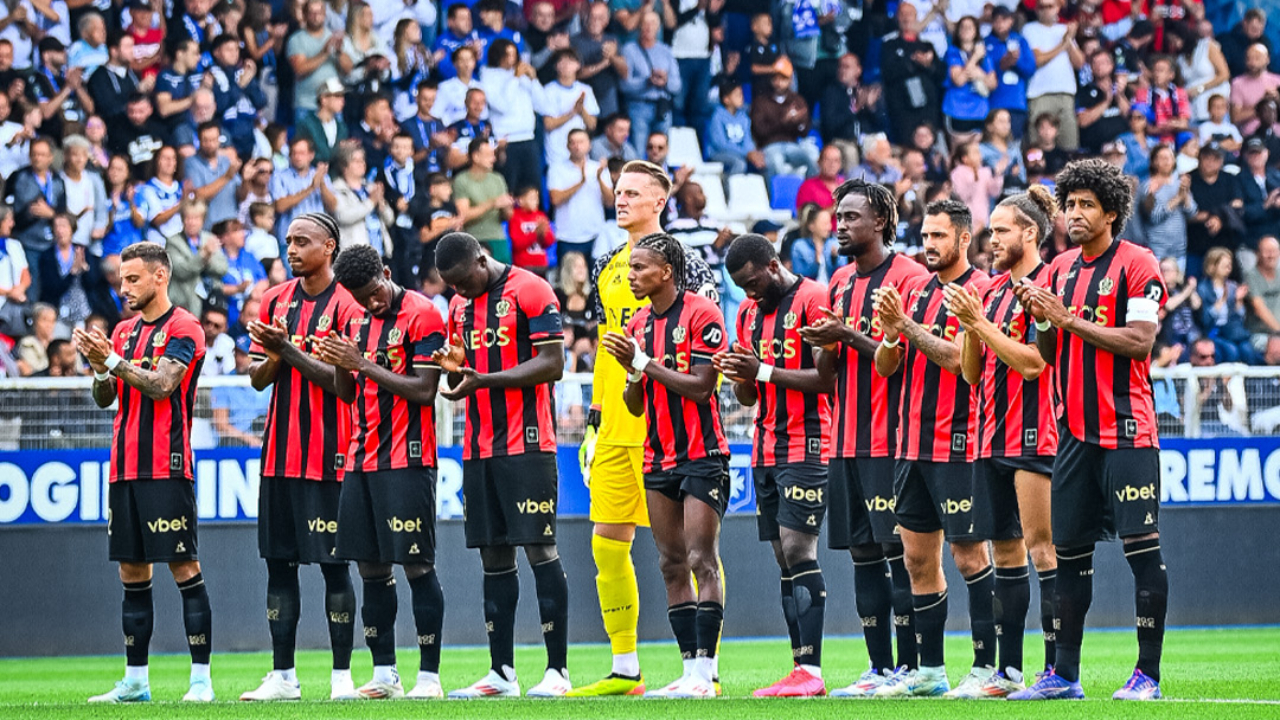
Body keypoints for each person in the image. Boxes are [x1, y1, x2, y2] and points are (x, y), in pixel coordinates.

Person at [1010, 159, 1169, 701]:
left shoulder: (1138, 264)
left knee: (1142, 553)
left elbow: (1141, 341)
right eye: (1069, 204)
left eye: (1086, 205)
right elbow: (1047, 354)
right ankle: (1062, 675)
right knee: (1070, 555)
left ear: (1111, 212)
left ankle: (1147, 676)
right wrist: (1045, 320)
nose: (1074, 214)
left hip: (1127, 430)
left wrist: (1070, 318)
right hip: (1073, 436)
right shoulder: (1056, 271)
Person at [570, 160, 718, 698]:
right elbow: (611, 351)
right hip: (614, 423)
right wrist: (593, 419)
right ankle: (625, 667)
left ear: (661, 200)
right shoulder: (609, 261)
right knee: (607, 544)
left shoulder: (690, 264)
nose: (621, 198)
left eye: (634, 192)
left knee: (688, 551)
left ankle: (706, 668)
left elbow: (707, 347)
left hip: (670, 427)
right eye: (619, 190)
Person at [795, 179, 928, 697]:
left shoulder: (909, 278)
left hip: (891, 439)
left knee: (899, 554)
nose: (840, 225)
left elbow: (908, 357)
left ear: (880, 222)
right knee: (862, 555)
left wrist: (847, 335)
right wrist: (822, 344)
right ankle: (878, 668)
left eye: (851, 217)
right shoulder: (839, 282)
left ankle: (913, 668)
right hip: (845, 438)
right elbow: (828, 375)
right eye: (837, 216)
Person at [431, 231, 572, 698]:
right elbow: (466, 368)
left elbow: (553, 364)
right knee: (493, 557)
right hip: (478, 447)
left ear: (480, 259)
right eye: (450, 286)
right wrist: (455, 365)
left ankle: (557, 671)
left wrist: (483, 378)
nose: (459, 292)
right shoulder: (458, 307)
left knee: (539, 549)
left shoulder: (530, 290)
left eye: (463, 282)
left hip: (528, 444)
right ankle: (502, 673)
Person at [300, 243, 443, 699]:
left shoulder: (423, 314)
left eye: (374, 292)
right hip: (360, 458)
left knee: (418, 565)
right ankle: (384, 673)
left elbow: (424, 391)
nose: (370, 303)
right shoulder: (353, 319)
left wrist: (361, 362)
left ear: (386, 272)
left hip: (407, 459)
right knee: (370, 570)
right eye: (360, 298)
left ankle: (430, 678)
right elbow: (346, 391)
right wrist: (342, 363)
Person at [75, 242, 212, 703]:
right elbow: (106, 397)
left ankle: (201, 681)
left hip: (166, 466)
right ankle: (135, 681)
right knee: (132, 573)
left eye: (132, 279)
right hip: (124, 468)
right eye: (120, 278)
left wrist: (111, 361)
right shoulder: (123, 331)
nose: (123, 287)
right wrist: (99, 369)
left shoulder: (185, 326)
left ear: (160, 277)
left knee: (183, 566)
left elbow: (162, 385)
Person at [871, 199, 994, 698]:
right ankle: (930, 671)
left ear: (964, 239)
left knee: (968, 555)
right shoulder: (914, 291)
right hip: (911, 444)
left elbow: (959, 361)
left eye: (939, 236)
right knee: (917, 560)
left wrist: (907, 328)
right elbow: (885, 367)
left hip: (959, 441)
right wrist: (887, 337)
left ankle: (989, 668)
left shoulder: (978, 291)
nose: (929, 246)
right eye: (924, 237)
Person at [599, 231, 729, 699]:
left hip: (702, 453)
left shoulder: (702, 312)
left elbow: (700, 386)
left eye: (640, 268)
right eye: (630, 268)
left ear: (666, 272)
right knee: (671, 564)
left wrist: (644, 361)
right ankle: (689, 670)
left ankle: (706, 674)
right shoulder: (635, 324)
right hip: (658, 456)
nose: (631, 276)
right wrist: (633, 371)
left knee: (701, 558)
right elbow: (635, 404)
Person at [945, 186, 1062, 696]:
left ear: (1030, 233)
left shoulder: (1047, 285)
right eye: (991, 230)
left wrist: (980, 325)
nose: (992, 239)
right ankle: (1008, 672)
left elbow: (1035, 364)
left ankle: (1058, 670)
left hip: (1034, 433)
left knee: (1044, 550)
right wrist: (971, 327)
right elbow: (970, 373)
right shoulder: (990, 291)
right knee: (1007, 553)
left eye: (1002, 230)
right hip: (988, 435)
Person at [717, 233, 832, 697]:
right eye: (740, 287)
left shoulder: (814, 300)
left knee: (799, 549)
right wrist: (740, 374)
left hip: (810, 443)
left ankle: (814, 671)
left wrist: (760, 370)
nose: (748, 294)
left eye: (752, 283)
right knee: (784, 559)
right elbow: (749, 394)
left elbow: (826, 378)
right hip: (765, 446)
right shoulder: (746, 314)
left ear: (772, 264)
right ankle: (799, 668)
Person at [1022, 0, 1084, 151]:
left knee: (1069, 144)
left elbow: (1080, 63)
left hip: (1065, 93)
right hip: (1039, 93)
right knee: (1038, 146)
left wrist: (1069, 39)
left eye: (1050, 6)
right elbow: (1037, 59)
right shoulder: (1030, 29)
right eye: (1042, 6)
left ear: (1058, 8)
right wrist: (1063, 44)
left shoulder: (1063, 29)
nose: (1045, 10)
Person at [620, 10, 681, 151]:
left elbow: (677, 85)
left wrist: (665, 82)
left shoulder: (666, 51)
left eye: (653, 23)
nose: (648, 27)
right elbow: (624, 84)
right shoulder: (629, 50)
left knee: (662, 153)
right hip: (638, 107)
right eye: (645, 23)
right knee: (639, 153)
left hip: (662, 107)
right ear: (639, 26)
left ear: (658, 27)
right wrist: (647, 82)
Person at [321, 140, 392, 256]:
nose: (361, 163)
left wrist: (381, 204)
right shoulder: (336, 189)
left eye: (362, 160)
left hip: (380, 253)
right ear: (344, 166)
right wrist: (371, 202)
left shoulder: (370, 187)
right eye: (356, 160)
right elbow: (343, 216)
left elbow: (390, 220)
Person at [549, 129, 610, 261]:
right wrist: (581, 182)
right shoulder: (557, 169)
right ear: (567, 146)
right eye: (573, 142)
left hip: (596, 234)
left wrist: (599, 179)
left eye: (581, 142)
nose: (577, 146)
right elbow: (555, 199)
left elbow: (610, 202)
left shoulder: (598, 168)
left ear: (589, 145)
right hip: (567, 235)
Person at [452, 138, 512, 263]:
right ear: (476, 157)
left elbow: (508, 216)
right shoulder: (461, 180)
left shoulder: (498, 179)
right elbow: (463, 215)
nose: (493, 159)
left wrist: (507, 207)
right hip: (475, 239)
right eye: (489, 155)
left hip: (499, 238)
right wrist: (492, 204)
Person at [820, 53, 883, 169]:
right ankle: (853, 187)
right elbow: (829, 125)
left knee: (881, 148)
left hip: (865, 138)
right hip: (841, 140)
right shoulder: (831, 93)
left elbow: (880, 125)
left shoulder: (865, 91)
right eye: (840, 67)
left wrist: (871, 108)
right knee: (850, 152)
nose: (842, 70)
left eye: (847, 67)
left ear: (858, 71)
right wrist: (854, 109)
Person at [1137, 145, 1196, 268]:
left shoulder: (1180, 184)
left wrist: (1185, 196)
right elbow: (1154, 217)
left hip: (1179, 249)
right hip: (1157, 249)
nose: (1167, 161)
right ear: (1154, 162)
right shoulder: (1148, 186)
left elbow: (1192, 213)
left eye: (1170, 157)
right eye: (1162, 158)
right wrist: (1177, 199)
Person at [165, 200, 227, 316]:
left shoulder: (210, 238)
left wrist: (207, 259)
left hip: (210, 300)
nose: (192, 222)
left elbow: (222, 268)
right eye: (188, 218)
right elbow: (182, 270)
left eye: (196, 218)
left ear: (203, 220)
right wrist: (204, 255)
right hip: (184, 302)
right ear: (183, 220)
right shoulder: (173, 242)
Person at [983, 6, 1036, 139]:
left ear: (1011, 21)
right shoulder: (985, 43)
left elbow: (1030, 69)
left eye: (1004, 20)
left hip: (1016, 102)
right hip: (994, 102)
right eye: (996, 20)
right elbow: (984, 73)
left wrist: (1016, 62)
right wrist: (1003, 64)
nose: (1000, 24)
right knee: (995, 142)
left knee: (1015, 143)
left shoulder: (1020, 41)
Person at [943, 16, 997, 144]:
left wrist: (980, 75)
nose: (965, 30)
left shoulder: (986, 56)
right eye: (962, 27)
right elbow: (959, 79)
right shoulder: (953, 52)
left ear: (976, 31)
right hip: (958, 110)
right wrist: (975, 57)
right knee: (959, 152)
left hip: (979, 111)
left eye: (969, 27)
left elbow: (993, 83)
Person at [541, 48, 599, 167]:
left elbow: (592, 125)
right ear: (556, 66)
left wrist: (581, 110)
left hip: (580, 152)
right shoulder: (548, 90)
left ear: (578, 65)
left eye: (570, 60)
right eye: (561, 61)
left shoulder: (585, 90)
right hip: (556, 152)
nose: (566, 64)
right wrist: (572, 112)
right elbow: (549, 124)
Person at [287, 0, 342, 124]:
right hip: (307, 105)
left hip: (333, 105)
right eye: (312, 13)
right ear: (305, 15)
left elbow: (348, 69)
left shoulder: (333, 37)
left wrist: (340, 52)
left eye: (319, 12)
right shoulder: (296, 39)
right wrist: (325, 52)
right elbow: (299, 69)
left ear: (325, 14)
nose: (316, 17)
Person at [270, 137, 327, 241]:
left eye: (301, 153)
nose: (297, 157)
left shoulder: (320, 175)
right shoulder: (279, 176)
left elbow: (333, 206)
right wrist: (310, 189)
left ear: (311, 155)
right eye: (294, 153)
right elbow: (280, 206)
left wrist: (322, 183)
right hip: (291, 241)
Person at [705, 80, 763, 177]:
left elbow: (747, 140)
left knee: (763, 161)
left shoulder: (743, 117)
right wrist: (746, 153)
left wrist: (752, 153)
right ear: (726, 99)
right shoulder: (717, 116)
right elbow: (720, 144)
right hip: (719, 153)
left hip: (741, 154)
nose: (742, 98)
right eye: (737, 95)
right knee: (739, 164)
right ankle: (728, 189)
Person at [950, 140, 1003, 231]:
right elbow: (962, 196)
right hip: (966, 219)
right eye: (975, 153)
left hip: (983, 218)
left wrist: (997, 175)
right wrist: (974, 178)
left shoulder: (985, 172)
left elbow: (994, 192)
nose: (979, 156)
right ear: (965, 158)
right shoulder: (958, 173)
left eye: (979, 152)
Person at [296, 77, 349, 165]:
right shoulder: (306, 124)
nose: (342, 100)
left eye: (342, 96)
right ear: (323, 99)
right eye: (337, 96)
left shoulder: (342, 127)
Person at [1231, 44, 1280, 137]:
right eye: (1249, 58)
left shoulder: (1278, 81)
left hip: (1277, 135)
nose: (1252, 62)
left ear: (1267, 59)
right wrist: (1262, 106)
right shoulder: (1237, 83)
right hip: (1252, 135)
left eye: (1257, 58)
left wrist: (1277, 100)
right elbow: (1235, 117)